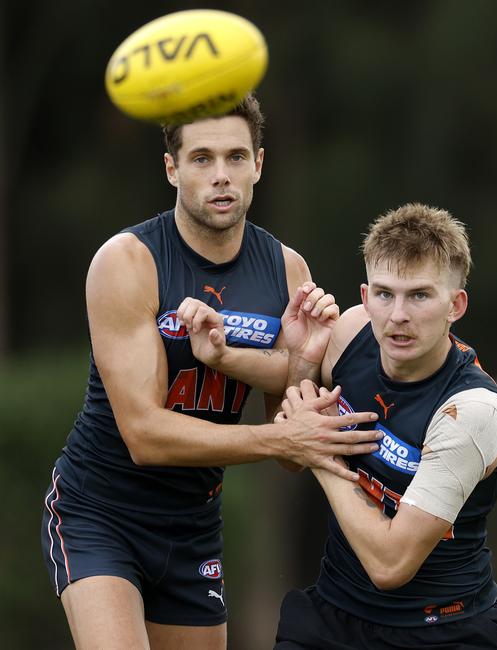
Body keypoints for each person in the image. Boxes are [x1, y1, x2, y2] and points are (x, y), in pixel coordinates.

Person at [40, 94, 380, 650]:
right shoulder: (127, 262)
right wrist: (279, 439)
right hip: (100, 513)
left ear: (259, 164)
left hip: (193, 527)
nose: (221, 176)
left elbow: (292, 447)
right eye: (201, 159)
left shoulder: (287, 269)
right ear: (172, 168)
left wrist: (299, 362)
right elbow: (144, 437)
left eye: (235, 157)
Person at [273, 203, 497, 648]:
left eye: (420, 295)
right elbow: (291, 455)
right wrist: (302, 363)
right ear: (365, 297)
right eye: (385, 295)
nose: (398, 315)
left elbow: (390, 566)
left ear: (456, 305)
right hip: (336, 614)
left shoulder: (470, 411)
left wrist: (321, 454)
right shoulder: (349, 333)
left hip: (446, 629)